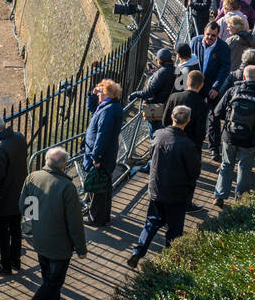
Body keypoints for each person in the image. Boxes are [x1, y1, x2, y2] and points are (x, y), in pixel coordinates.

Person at [16, 148, 87, 300]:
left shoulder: (33, 177)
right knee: (52, 283)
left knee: (48, 277)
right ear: (65, 165)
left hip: (39, 239)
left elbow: (25, 207)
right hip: (59, 245)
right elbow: (74, 223)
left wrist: (40, 220)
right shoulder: (67, 186)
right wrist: (81, 248)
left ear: (47, 160)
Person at [127, 106, 202, 268]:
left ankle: (138, 251)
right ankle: (169, 260)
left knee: (151, 222)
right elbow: (194, 172)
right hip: (177, 193)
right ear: (188, 121)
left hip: (157, 188)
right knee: (174, 229)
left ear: (171, 117)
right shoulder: (188, 145)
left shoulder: (158, 135)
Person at [212, 65, 255, 207]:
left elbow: (217, 112)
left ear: (243, 77)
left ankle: (219, 197)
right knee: (244, 168)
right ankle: (240, 199)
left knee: (226, 164)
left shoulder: (232, 91)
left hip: (230, 136)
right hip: (250, 139)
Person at [0, 112, 28, 274]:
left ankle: (5, 264)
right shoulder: (19, 137)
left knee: (3, 232)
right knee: (16, 228)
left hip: (4, 197)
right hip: (19, 191)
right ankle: (16, 261)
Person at [83, 79, 124, 227]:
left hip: (101, 155)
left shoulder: (108, 110)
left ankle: (95, 219)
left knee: (98, 188)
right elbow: (93, 108)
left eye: (100, 91)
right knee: (105, 186)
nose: (98, 92)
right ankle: (103, 216)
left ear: (107, 93)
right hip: (107, 154)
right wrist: (91, 95)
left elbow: (103, 134)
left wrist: (96, 156)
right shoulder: (109, 106)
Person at [190, 22, 231, 161]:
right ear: (204, 31)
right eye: (208, 34)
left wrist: (216, 87)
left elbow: (224, 69)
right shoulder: (195, 41)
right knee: (193, 114)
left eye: (213, 35)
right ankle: (193, 142)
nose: (209, 38)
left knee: (214, 117)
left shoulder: (223, 47)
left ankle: (214, 148)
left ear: (218, 35)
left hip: (211, 87)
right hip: (196, 86)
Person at [130, 47, 175, 137]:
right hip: (170, 107)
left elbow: (149, 92)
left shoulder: (161, 73)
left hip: (156, 108)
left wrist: (135, 94)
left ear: (160, 60)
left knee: (154, 134)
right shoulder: (176, 70)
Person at [162, 69, 208, 150]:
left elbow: (165, 121)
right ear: (202, 85)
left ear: (187, 82)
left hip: (172, 141)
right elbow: (200, 131)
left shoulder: (174, 97)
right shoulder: (202, 104)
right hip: (191, 145)